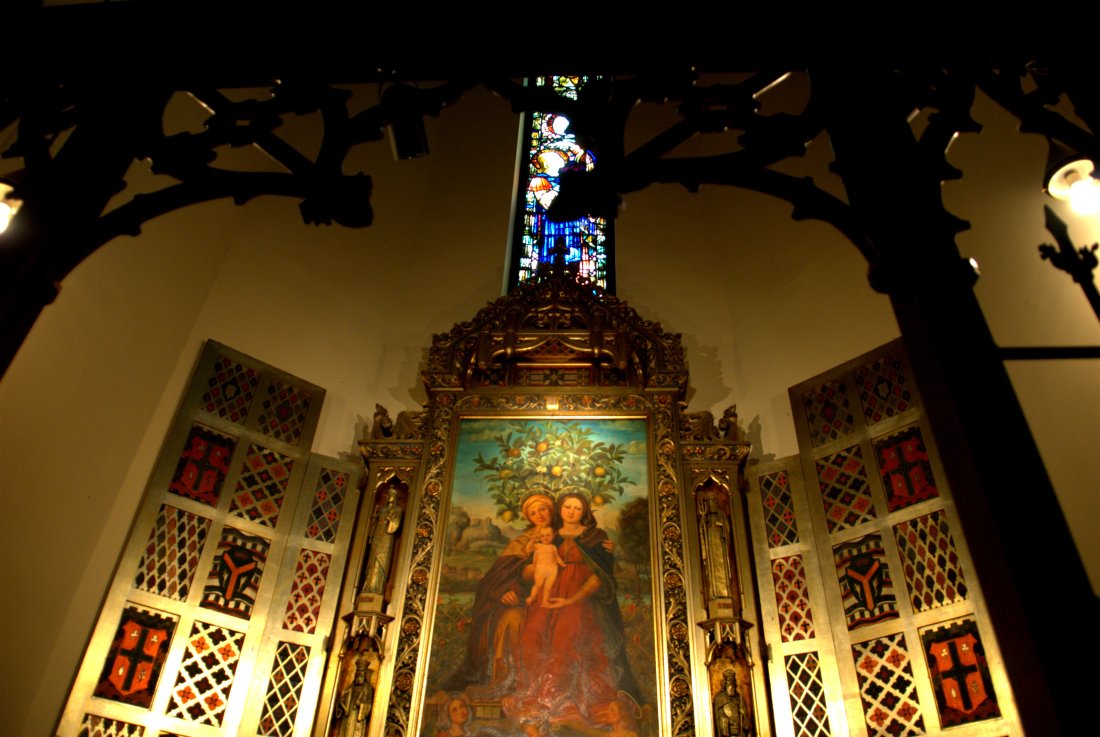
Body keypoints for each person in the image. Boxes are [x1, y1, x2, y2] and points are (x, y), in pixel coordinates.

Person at [503, 492, 642, 728]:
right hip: (547, 596)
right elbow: (529, 569)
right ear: (560, 509)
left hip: (580, 599)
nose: (571, 512)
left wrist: (570, 600)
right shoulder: (551, 535)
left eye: (577, 508)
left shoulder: (595, 538)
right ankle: (537, 698)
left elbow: (600, 576)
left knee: (565, 639)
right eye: (567, 507)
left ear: (584, 512)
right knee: (532, 636)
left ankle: (566, 703)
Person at [442, 493, 556, 694]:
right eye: (533, 512)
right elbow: (495, 578)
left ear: (551, 510)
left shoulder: (566, 537)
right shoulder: (520, 543)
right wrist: (504, 592)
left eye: (543, 509)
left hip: (558, 598)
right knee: (512, 619)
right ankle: (508, 682)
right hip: (524, 601)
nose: (539, 515)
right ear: (529, 518)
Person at [525, 525, 565, 606]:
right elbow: (528, 549)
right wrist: (532, 540)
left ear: (553, 536)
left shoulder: (553, 547)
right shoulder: (538, 546)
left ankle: (545, 601)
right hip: (541, 569)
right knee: (538, 585)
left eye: (548, 535)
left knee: (548, 587)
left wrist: (562, 563)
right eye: (542, 536)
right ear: (539, 537)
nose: (545, 538)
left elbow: (556, 557)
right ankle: (532, 597)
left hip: (553, 569)